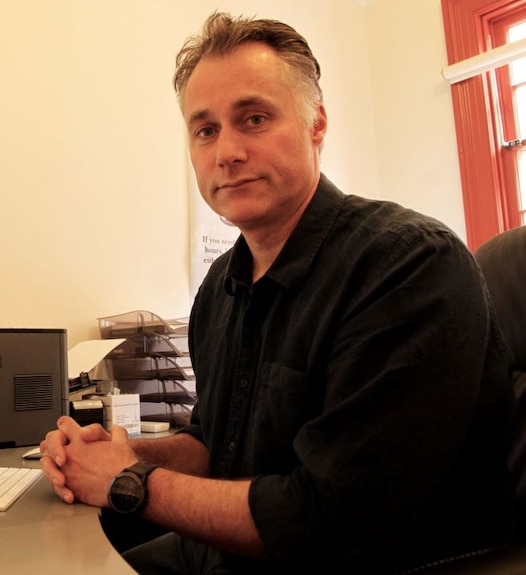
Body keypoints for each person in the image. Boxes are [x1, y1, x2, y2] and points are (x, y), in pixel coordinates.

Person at [40, 11, 516, 575]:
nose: (226, 152)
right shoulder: (219, 290)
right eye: (205, 130)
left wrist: (128, 482)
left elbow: (327, 520)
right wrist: (115, 454)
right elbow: (220, 446)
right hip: (227, 554)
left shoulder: (408, 265)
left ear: (317, 123)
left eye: (255, 118)